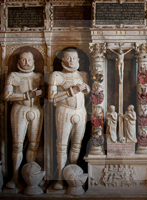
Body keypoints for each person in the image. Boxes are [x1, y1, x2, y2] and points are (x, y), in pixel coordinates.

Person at [48, 48, 90, 190]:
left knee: (77, 145)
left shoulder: (82, 75)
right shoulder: (57, 75)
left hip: (81, 112)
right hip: (64, 111)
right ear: (63, 60)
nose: (71, 61)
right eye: (68, 58)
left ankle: (73, 176)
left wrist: (86, 89)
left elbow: (89, 94)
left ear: (78, 60)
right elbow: (52, 97)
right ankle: (59, 178)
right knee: (62, 146)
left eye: (74, 58)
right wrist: (73, 91)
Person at [4, 51, 43, 190]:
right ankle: (14, 177)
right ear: (18, 62)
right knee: (17, 145)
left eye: (29, 60)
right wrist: (27, 95)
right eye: (23, 60)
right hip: (19, 110)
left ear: (33, 62)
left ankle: (30, 177)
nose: (26, 63)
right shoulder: (13, 76)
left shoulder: (39, 76)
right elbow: (7, 95)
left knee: (33, 145)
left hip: (36, 111)